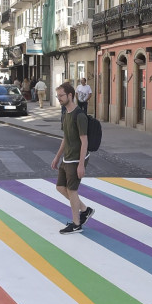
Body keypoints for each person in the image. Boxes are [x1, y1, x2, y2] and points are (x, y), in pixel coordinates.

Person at [51, 82, 94, 234]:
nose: (59, 98)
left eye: (61, 95)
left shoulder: (79, 115)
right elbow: (66, 137)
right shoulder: (65, 113)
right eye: (58, 96)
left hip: (76, 159)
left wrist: (81, 164)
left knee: (72, 190)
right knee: (60, 187)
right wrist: (57, 157)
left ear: (70, 95)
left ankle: (76, 224)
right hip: (67, 158)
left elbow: (84, 141)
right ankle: (85, 210)